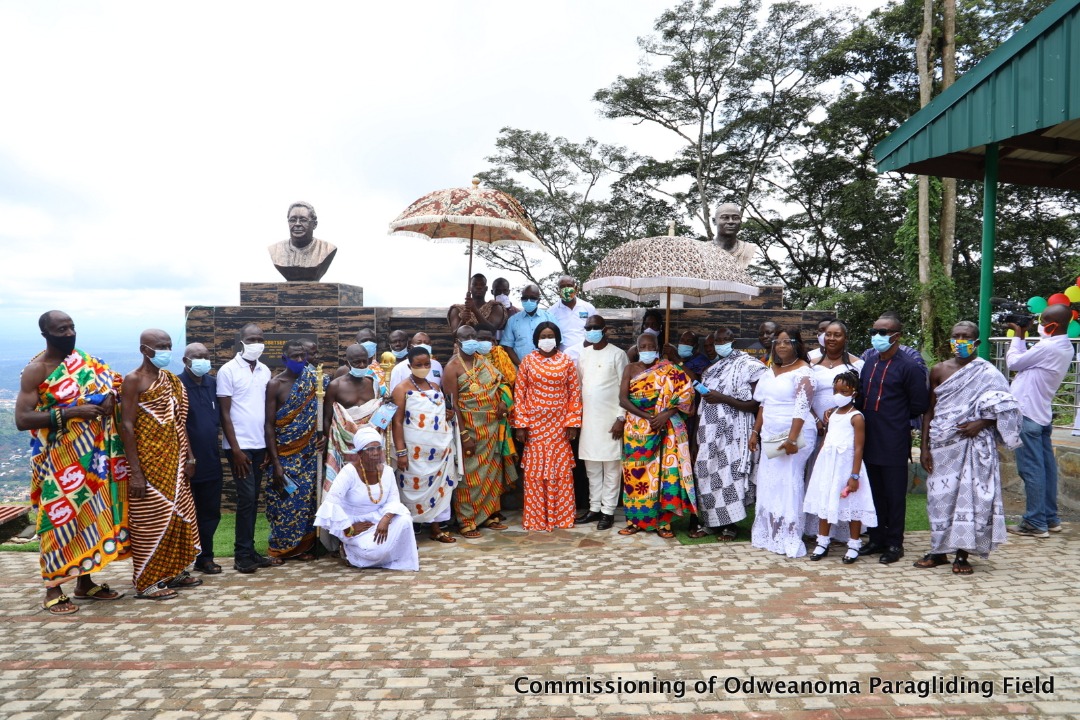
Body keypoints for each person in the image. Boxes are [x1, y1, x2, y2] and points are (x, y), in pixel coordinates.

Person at [15, 311, 128, 615]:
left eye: (71, 327)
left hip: (93, 459)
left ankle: (84, 582)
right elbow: (22, 419)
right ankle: (53, 588)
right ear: (46, 334)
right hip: (58, 462)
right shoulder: (36, 371)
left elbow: (113, 383)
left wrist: (108, 398)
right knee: (58, 520)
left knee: (89, 517)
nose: (68, 333)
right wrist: (71, 413)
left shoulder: (85, 362)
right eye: (61, 329)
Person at [915, 321, 1022, 573]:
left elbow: (1008, 408)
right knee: (939, 499)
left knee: (970, 500)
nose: (959, 341)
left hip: (974, 445)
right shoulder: (938, 370)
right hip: (942, 446)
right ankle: (939, 551)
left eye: (965, 337)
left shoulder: (988, 373)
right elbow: (929, 411)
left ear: (977, 343)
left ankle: (962, 555)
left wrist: (981, 422)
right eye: (956, 336)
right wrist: (924, 448)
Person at [119, 329, 201, 599]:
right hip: (148, 462)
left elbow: (180, 421)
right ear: (145, 350)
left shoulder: (170, 380)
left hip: (175, 461)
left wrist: (189, 456)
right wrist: (136, 473)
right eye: (160, 346)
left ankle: (174, 570)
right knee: (150, 520)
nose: (166, 351)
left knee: (179, 516)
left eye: (168, 346)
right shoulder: (133, 380)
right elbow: (127, 426)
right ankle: (147, 581)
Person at [857, 313, 930, 564]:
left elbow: (919, 404)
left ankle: (894, 543)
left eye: (883, 332)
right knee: (874, 491)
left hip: (894, 438)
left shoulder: (909, 367)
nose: (877, 336)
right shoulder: (870, 362)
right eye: (875, 330)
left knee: (895, 494)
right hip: (869, 438)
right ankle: (876, 539)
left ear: (896, 336)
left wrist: (894, 418)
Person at [1005, 304, 1074, 538]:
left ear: (1053, 326)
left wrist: (1017, 335)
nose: (1041, 326)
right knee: (1046, 468)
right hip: (1040, 414)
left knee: (1031, 469)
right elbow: (1027, 362)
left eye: (1044, 322)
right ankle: (1050, 518)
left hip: (1028, 414)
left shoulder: (1048, 347)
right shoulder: (1065, 346)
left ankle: (1035, 522)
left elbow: (1014, 362)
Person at [617, 333, 695, 538]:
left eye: (650, 346)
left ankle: (664, 524)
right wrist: (649, 417)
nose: (646, 349)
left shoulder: (670, 369)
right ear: (637, 348)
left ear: (658, 348)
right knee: (636, 478)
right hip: (636, 431)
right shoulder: (630, 368)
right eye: (642, 346)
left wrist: (664, 415)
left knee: (664, 476)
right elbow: (623, 400)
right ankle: (634, 521)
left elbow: (686, 395)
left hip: (665, 428)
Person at [748, 328, 817, 558]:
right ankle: (770, 534)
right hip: (770, 433)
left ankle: (790, 536)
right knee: (770, 483)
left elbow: (802, 406)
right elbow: (763, 405)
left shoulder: (804, 371)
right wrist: (755, 432)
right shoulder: (771, 369)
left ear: (797, 344)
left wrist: (791, 438)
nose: (782, 346)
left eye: (787, 342)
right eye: (778, 342)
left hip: (794, 433)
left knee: (788, 481)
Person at [692, 327, 766, 541]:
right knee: (706, 474)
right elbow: (701, 406)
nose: (720, 343)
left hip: (735, 434)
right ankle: (710, 523)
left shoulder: (750, 366)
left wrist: (723, 398)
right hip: (708, 432)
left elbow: (756, 404)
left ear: (733, 341)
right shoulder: (710, 370)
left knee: (729, 477)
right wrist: (696, 438)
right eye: (717, 340)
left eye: (725, 339)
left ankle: (730, 526)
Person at [443, 325, 515, 538]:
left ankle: (490, 515)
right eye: (466, 337)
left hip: (492, 426)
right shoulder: (452, 367)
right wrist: (464, 435)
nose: (471, 340)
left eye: (473, 336)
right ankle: (466, 520)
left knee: (492, 471)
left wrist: (504, 401)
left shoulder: (484, 362)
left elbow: (502, 383)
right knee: (469, 475)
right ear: (457, 341)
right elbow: (452, 405)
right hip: (469, 428)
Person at [314, 427, 419, 571]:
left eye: (378, 448)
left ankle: (390, 550)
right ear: (360, 453)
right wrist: (349, 528)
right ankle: (348, 550)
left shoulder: (387, 472)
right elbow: (332, 502)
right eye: (370, 449)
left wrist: (385, 519)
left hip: (379, 521)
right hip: (355, 526)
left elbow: (394, 501)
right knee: (371, 551)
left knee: (405, 519)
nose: (375, 453)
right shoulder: (349, 472)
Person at [513, 322, 583, 531]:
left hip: (559, 428)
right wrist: (521, 425)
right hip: (534, 428)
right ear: (537, 339)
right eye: (543, 335)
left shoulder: (566, 361)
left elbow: (574, 393)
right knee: (535, 473)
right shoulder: (528, 361)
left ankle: (561, 517)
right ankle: (536, 519)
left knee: (559, 472)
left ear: (557, 338)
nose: (546, 339)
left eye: (550, 335)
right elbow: (520, 393)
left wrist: (572, 423)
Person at [217, 323, 274, 574]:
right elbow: (225, 414)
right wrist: (236, 449)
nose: (256, 343)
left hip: (260, 444)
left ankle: (250, 551)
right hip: (239, 448)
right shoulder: (228, 370)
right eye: (252, 339)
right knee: (246, 498)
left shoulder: (264, 370)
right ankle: (241, 555)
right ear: (241, 341)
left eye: (260, 339)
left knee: (253, 500)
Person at [803, 370, 876, 564]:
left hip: (847, 466)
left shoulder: (856, 417)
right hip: (829, 465)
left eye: (844, 391)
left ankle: (853, 544)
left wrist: (854, 475)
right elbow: (826, 440)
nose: (839, 395)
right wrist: (820, 462)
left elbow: (859, 447)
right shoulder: (832, 414)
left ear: (854, 393)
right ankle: (822, 541)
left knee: (853, 506)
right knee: (825, 502)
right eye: (836, 390)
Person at [264, 340, 323, 563]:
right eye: (294, 357)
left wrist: (323, 436)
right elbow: (269, 424)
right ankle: (278, 549)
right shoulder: (275, 385)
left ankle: (300, 548)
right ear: (284, 359)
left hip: (308, 455)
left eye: (302, 356)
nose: (299, 360)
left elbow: (322, 415)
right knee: (284, 501)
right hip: (284, 454)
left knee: (306, 503)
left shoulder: (314, 380)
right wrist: (276, 463)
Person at [391, 346, 458, 544]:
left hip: (439, 450)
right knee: (411, 489)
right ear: (410, 365)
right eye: (418, 365)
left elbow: (440, 413)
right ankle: (409, 529)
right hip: (414, 452)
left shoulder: (435, 387)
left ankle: (436, 528)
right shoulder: (401, 388)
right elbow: (397, 421)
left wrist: (447, 414)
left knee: (440, 489)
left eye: (426, 364)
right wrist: (401, 452)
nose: (423, 368)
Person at [575, 316, 629, 530]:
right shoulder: (583, 354)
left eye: (595, 327)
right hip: (589, 420)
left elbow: (625, 388)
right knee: (592, 468)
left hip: (611, 420)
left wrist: (621, 417)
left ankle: (608, 511)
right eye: (588, 328)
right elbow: (581, 385)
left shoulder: (618, 354)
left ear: (605, 330)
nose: (591, 330)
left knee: (612, 468)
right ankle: (594, 508)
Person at [179, 342, 224, 575]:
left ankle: (205, 557)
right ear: (186, 361)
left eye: (206, 356)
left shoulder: (213, 384)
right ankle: (182, 561)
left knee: (210, 512)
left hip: (211, 459)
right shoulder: (177, 385)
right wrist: (189, 458)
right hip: (185, 463)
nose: (203, 360)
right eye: (197, 357)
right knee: (185, 514)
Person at [324, 344, 385, 498]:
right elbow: (328, 418)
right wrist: (328, 441)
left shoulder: (373, 383)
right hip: (343, 447)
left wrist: (385, 404)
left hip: (371, 449)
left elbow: (376, 414)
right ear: (347, 362)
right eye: (357, 362)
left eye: (365, 361)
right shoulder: (335, 386)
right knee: (343, 489)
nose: (362, 365)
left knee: (369, 487)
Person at [268, 201, 337, 282]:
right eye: (293, 220)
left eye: (303, 220)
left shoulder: (326, 249)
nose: (297, 224)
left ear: (314, 224)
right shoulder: (276, 249)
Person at [501, 284, 557, 365]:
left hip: (546, 369)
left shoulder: (549, 318)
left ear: (539, 300)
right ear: (521, 299)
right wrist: (521, 366)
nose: (528, 301)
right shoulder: (513, 320)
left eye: (533, 298)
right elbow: (507, 347)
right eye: (525, 298)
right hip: (520, 371)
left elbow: (557, 343)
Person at [547, 275, 596, 362]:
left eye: (569, 286)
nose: (566, 289)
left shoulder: (588, 307)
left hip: (587, 355)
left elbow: (595, 330)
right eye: (562, 287)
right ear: (558, 290)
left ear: (576, 288)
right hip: (562, 358)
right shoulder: (551, 312)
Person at [713, 202, 755, 270]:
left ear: (740, 221)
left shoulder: (749, 249)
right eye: (725, 217)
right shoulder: (703, 250)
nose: (731, 222)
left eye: (735, 218)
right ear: (714, 221)